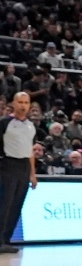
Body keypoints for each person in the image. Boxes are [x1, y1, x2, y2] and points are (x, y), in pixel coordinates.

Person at [0, 91, 38, 253]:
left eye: (26, 103)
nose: (23, 106)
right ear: (14, 104)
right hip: (8, 164)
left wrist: (32, 174)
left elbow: (30, 151)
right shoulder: (4, 122)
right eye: (20, 102)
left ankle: (6, 240)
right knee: (5, 203)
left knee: (17, 204)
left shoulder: (30, 125)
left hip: (24, 166)